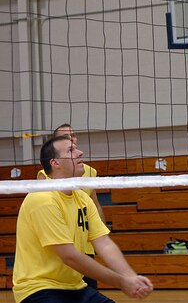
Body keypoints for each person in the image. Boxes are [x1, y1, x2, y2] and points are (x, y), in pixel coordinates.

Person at [12, 135, 153, 303]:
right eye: (71, 150)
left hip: (75, 286)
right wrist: (121, 282)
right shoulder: (43, 198)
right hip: (38, 289)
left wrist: (131, 277)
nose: (80, 152)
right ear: (55, 163)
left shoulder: (82, 197)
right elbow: (69, 256)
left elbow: (104, 243)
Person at [36, 123, 106, 289]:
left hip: (84, 242)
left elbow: (95, 204)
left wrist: (101, 236)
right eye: (65, 136)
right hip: (62, 243)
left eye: (73, 135)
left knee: (87, 290)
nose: (71, 138)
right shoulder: (46, 175)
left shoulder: (89, 171)